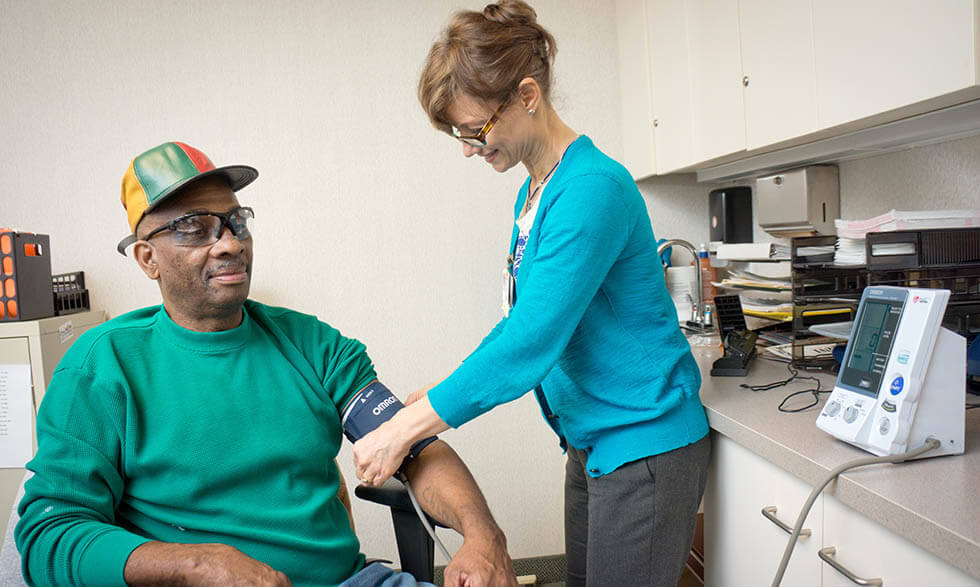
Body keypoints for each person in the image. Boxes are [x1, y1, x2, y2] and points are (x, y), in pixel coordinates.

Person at [15, 141, 516, 587]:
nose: (230, 242)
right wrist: (196, 565)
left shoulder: (313, 345)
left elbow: (414, 448)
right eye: (195, 229)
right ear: (148, 259)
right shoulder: (103, 365)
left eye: (236, 221)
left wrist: (482, 535)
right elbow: (49, 534)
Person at [351, 2, 711, 585]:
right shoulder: (535, 194)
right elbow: (522, 320)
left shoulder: (590, 190)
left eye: (475, 129)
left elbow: (531, 342)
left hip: (642, 445)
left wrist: (407, 429)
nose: (469, 148)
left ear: (525, 95)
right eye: (458, 135)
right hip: (592, 442)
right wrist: (429, 397)